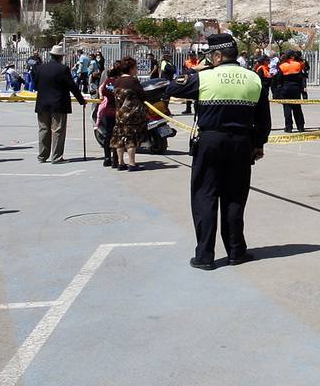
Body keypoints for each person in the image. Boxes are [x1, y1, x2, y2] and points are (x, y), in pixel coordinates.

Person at [165, 32, 270, 269]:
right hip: (242, 143)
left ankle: (204, 256)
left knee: (205, 194)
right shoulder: (254, 78)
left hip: (210, 141)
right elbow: (264, 118)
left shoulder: (205, 77)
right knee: (235, 198)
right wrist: (259, 144)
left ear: (217, 55)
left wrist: (197, 70)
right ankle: (236, 252)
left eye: (210, 56)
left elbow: (172, 87)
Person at [32, 44, 85, 163]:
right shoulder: (63, 69)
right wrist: (81, 100)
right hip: (58, 103)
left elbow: (35, 84)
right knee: (58, 130)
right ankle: (56, 156)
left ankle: (42, 156)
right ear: (60, 57)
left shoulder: (41, 68)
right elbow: (72, 86)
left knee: (43, 129)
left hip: (42, 103)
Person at [108, 58, 147, 171]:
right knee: (131, 139)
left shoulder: (117, 81)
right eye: (135, 68)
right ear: (131, 69)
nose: (136, 70)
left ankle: (121, 163)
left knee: (119, 138)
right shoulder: (133, 81)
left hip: (119, 113)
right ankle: (132, 163)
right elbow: (142, 95)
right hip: (131, 114)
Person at [276, 50, 307, 133]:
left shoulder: (282, 66)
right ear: (293, 56)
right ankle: (300, 127)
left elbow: (279, 79)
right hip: (296, 89)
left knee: (287, 108)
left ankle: (288, 127)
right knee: (297, 108)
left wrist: (279, 90)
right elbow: (301, 76)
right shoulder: (298, 64)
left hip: (285, 89)